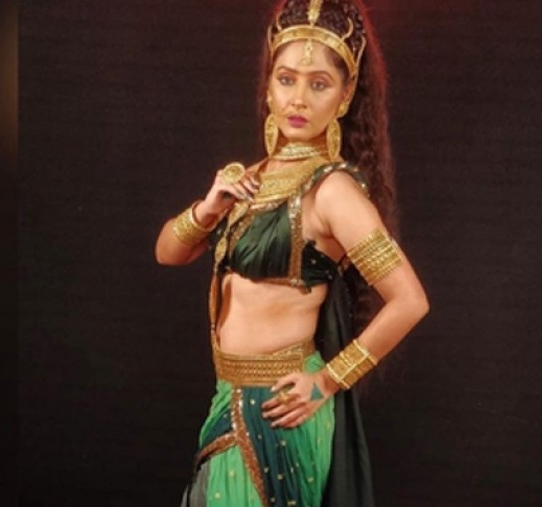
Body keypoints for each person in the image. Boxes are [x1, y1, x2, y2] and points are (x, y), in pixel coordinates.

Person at [155, 0, 428, 505]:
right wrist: (208, 208)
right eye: (286, 79)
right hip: (227, 398)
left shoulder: (333, 192)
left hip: (281, 409)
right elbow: (168, 252)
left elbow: (410, 300)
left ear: (344, 96)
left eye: (318, 84)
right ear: (268, 87)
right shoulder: (248, 180)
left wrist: (327, 381)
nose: (297, 99)